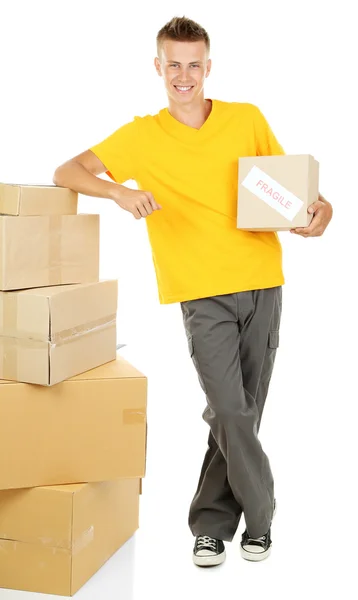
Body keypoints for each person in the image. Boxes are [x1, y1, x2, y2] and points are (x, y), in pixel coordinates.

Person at [53, 16, 333, 567]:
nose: (184, 74)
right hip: (201, 292)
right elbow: (68, 170)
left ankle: (209, 525)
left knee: (241, 415)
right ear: (158, 68)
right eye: (173, 64)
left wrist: (319, 212)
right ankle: (261, 514)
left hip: (262, 283)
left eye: (194, 64)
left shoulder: (245, 118)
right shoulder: (142, 136)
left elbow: (294, 192)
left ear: (209, 67)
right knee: (229, 411)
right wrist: (116, 192)